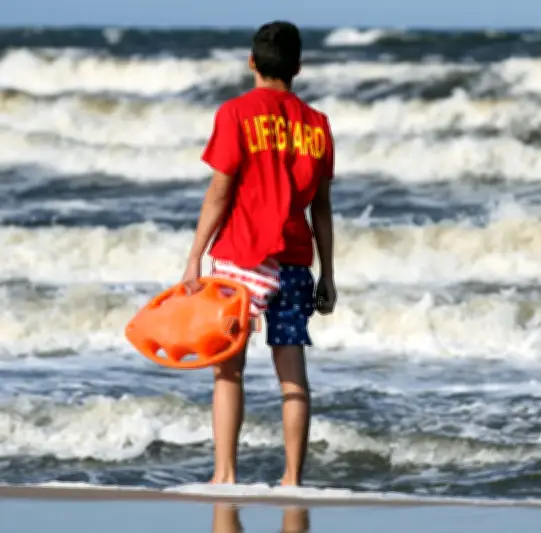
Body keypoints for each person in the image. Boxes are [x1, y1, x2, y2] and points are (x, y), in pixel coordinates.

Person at [180, 21, 336, 487]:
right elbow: (321, 207)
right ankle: (292, 479)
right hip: (293, 262)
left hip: (240, 260)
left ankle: (224, 474)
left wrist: (194, 256)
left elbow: (220, 191)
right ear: (298, 67)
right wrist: (328, 273)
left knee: (228, 371)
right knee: (293, 378)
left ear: (251, 62)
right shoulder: (317, 124)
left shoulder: (235, 113)